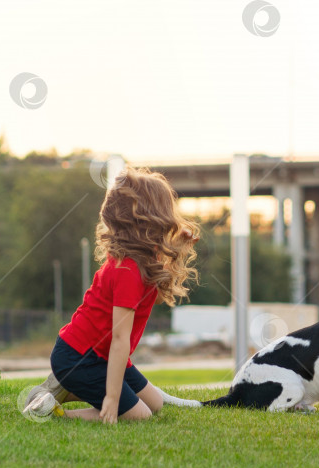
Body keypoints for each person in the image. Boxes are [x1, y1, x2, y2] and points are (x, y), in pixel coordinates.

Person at [23, 167, 200, 423]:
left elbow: (157, 297)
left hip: (100, 356)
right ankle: (55, 413)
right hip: (80, 357)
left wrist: (177, 250)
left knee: (156, 403)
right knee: (140, 415)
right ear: (149, 220)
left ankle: (62, 390)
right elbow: (119, 339)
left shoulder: (145, 260)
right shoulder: (127, 270)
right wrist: (112, 399)